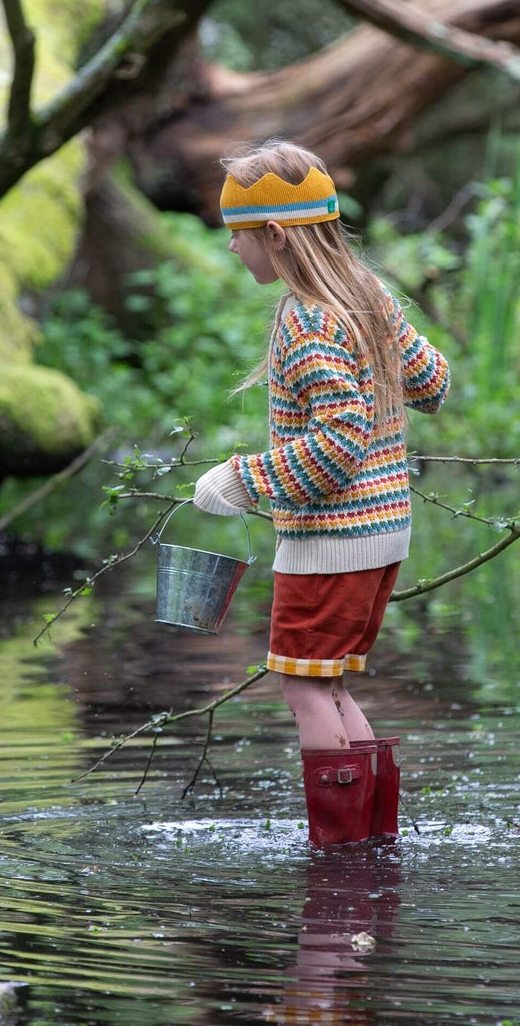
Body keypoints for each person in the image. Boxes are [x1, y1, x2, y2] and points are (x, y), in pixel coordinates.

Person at [192, 139, 450, 847]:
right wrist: (388, 332)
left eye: (236, 237)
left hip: (331, 543)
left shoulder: (306, 317)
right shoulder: (367, 295)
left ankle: (337, 857)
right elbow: (434, 384)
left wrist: (243, 480)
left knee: (306, 689)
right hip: (385, 533)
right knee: (330, 685)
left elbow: (338, 443)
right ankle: (372, 846)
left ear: (274, 235)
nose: (233, 252)